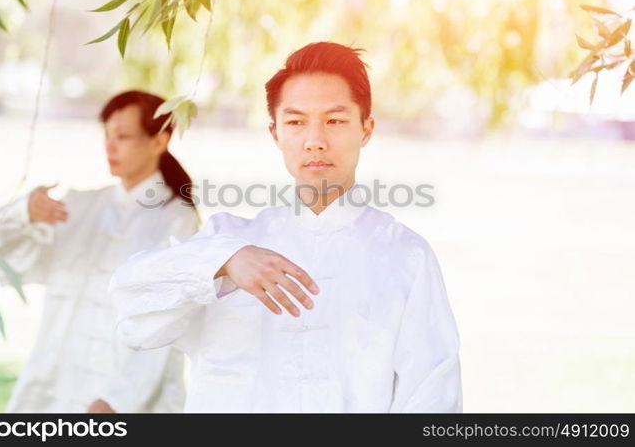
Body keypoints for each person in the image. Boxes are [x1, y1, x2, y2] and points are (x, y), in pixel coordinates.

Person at [109, 43, 463, 412]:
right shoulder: (227, 240)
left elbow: (434, 397)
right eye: (296, 122)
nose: (315, 141)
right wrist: (224, 262)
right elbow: (132, 315)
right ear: (275, 132)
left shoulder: (404, 256)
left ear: (366, 129)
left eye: (335, 121)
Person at [0, 90, 199, 413]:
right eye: (107, 135)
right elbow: (7, 265)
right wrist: (23, 214)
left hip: (129, 401)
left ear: (159, 141)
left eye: (123, 136)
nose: (110, 146)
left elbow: (165, 320)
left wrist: (118, 400)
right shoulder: (78, 206)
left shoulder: (177, 221)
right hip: (56, 390)